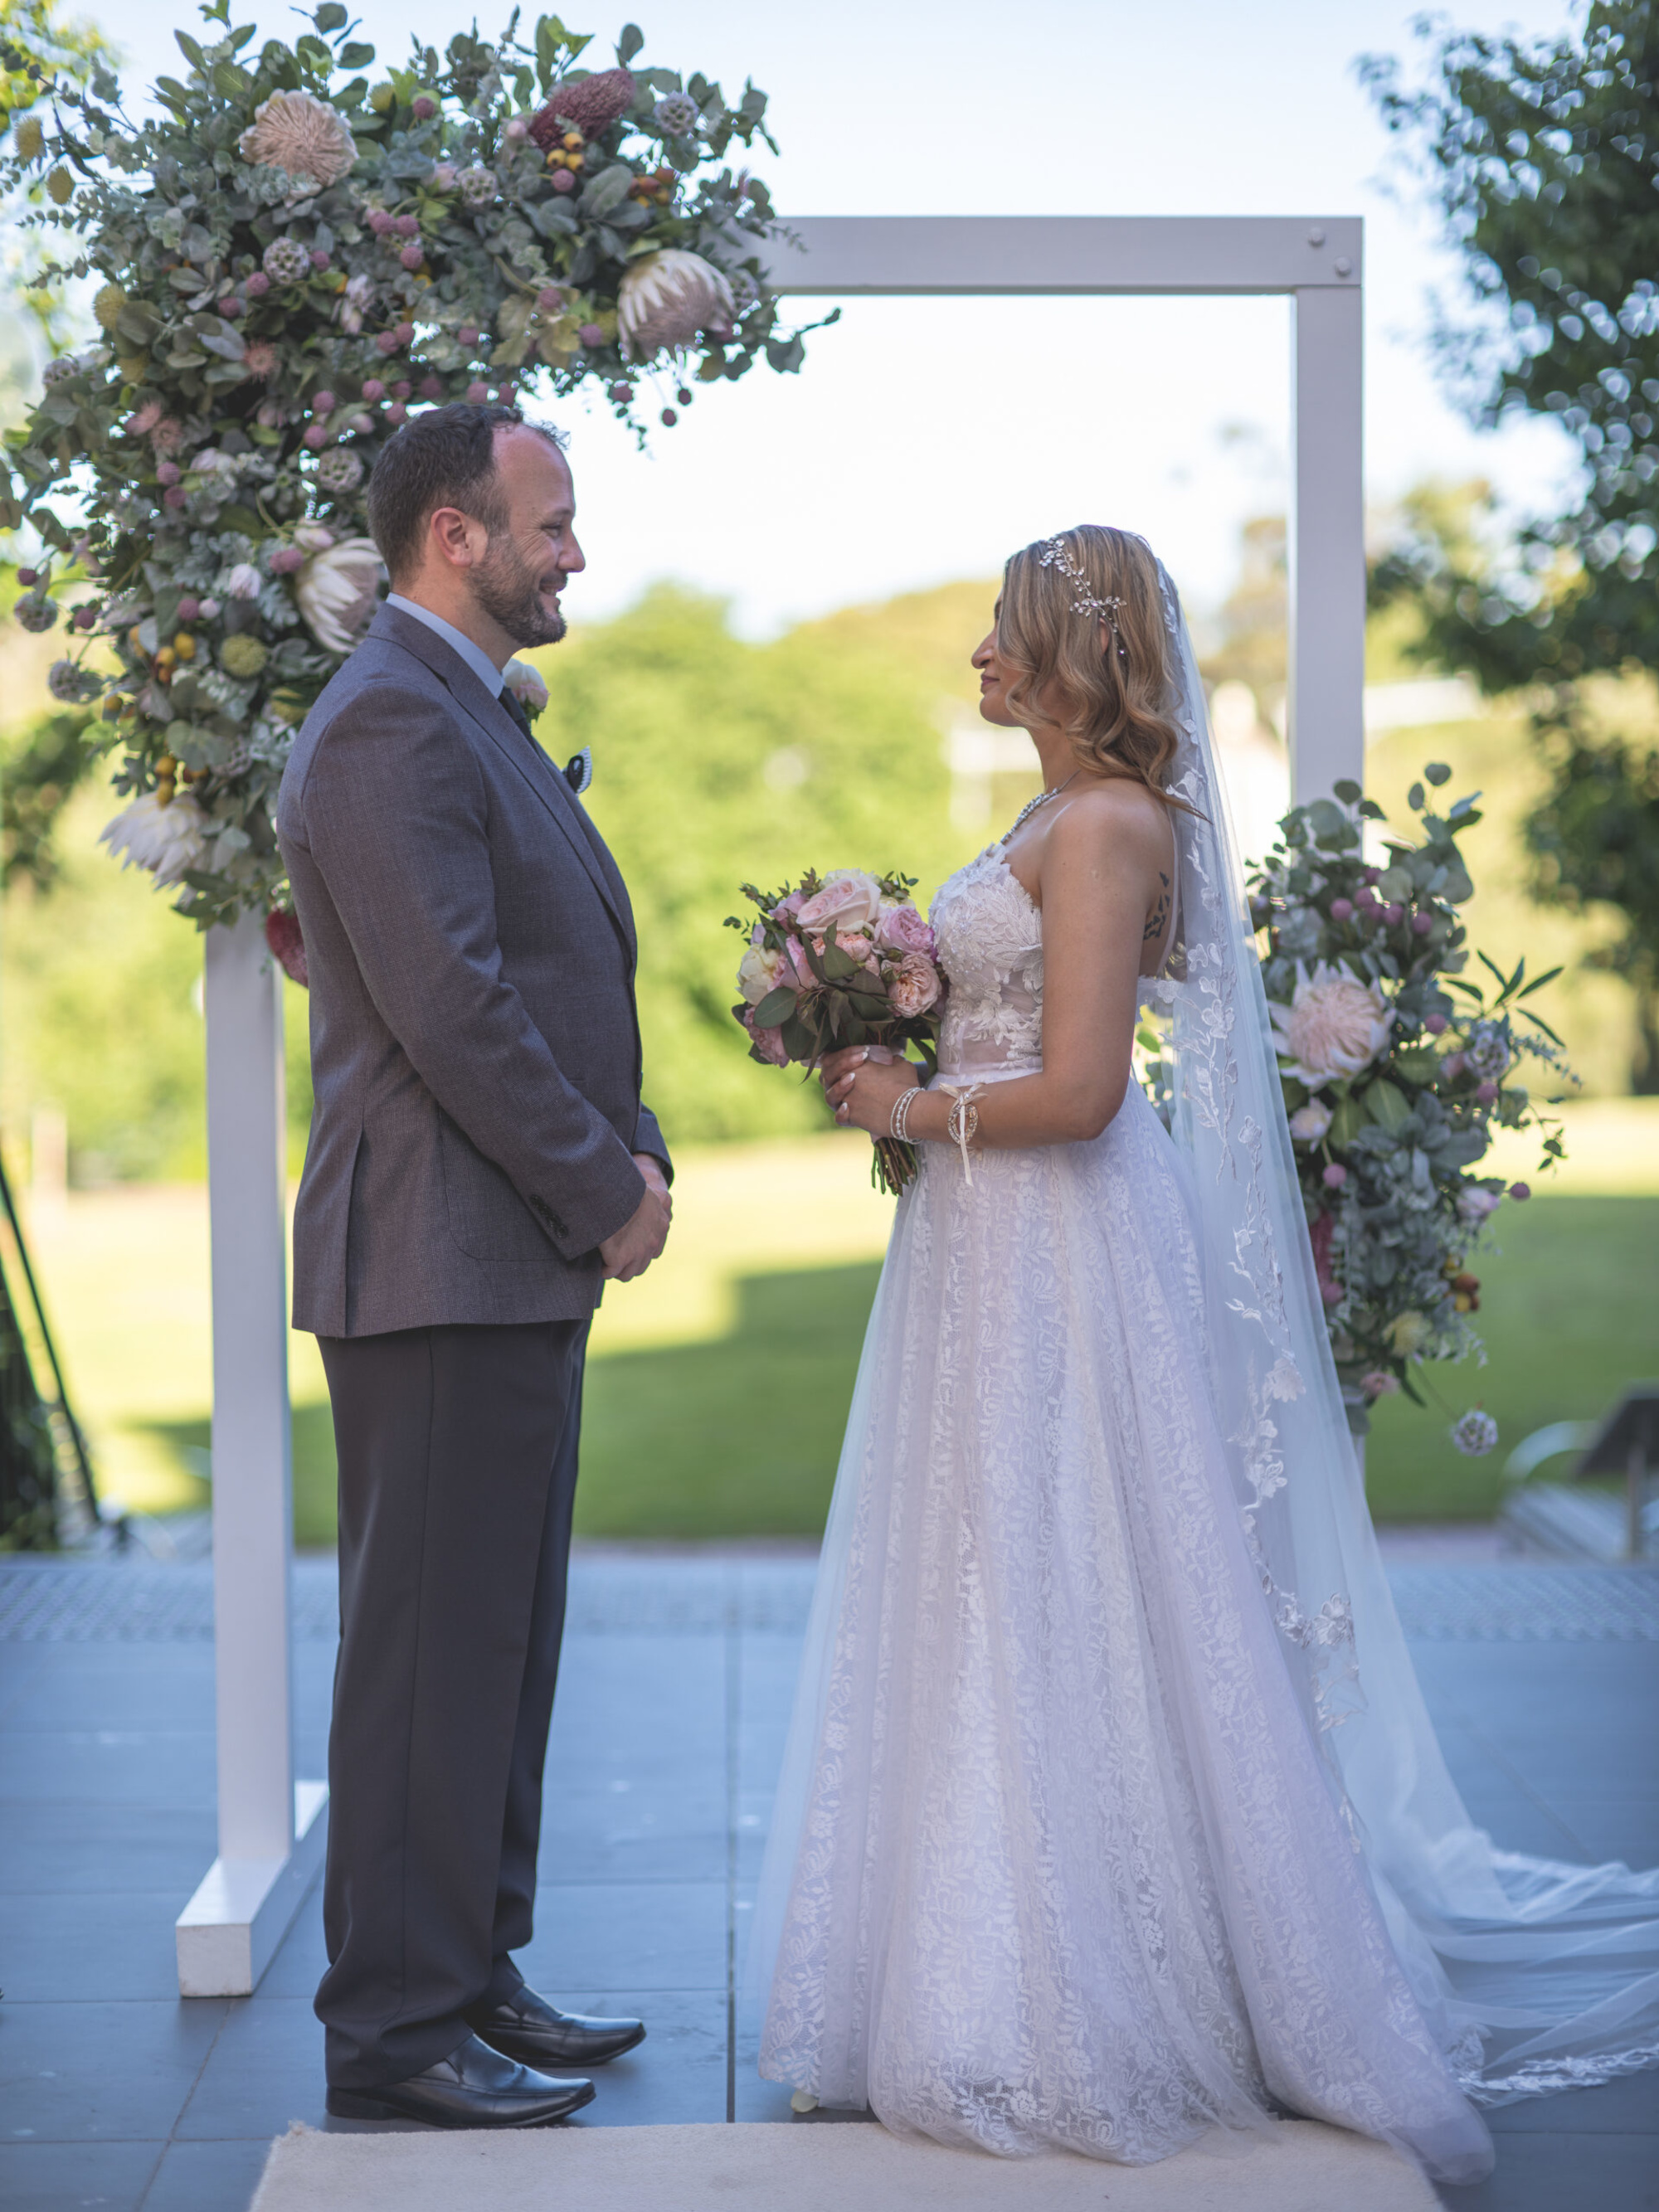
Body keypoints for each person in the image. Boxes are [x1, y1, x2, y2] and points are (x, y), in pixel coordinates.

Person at [749, 526, 1659, 2181]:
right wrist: (877, 1004)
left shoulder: (1101, 826)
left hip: (1058, 1239)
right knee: (980, 1577)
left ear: (1070, 651)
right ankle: (951, 1955)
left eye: (1003, 635)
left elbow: (1083, 1088)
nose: (978, 657)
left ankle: (1073, 1995)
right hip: (979, 1243)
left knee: (1073, 1580)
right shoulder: (1044, 814)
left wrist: (903, 1101)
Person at [276, 403, 673, 2130]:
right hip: (440, 1249)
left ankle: (474, 1970)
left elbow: (554, 956)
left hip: (498, 1250)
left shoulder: (455, 707)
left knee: (494, 1647)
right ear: (458, 532)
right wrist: (604, 1184)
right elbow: (451, 1006)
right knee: (427, 1653)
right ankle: (394, 2028)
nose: (573, 549)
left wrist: (633, 1139)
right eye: (552, 521)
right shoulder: (384, 723)